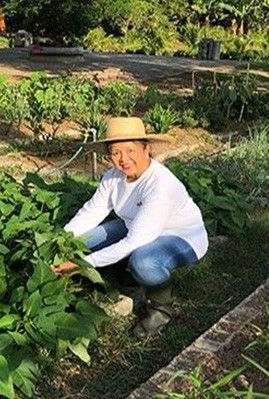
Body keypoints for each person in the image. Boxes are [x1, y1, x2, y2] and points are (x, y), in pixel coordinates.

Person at [53, 117, 208, 337]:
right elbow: (92, 212)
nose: (123, 159)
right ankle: (125, 283)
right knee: (86, 239)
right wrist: (59, 240)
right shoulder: (113, 177)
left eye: (130, 150)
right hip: (137, 228)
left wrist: (82, 264)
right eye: (116, 152)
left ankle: (160, 310)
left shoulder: (160, 185)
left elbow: (135, 241)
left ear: (146, 149)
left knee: (143, 262)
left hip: (179, 237)